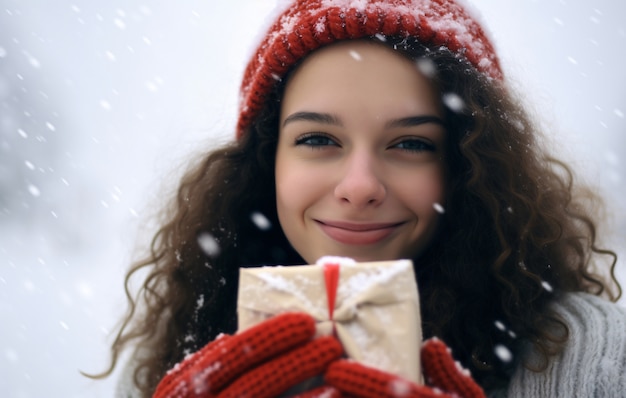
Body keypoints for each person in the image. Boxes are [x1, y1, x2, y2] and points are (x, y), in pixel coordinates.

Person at [89, 0, 626, 396]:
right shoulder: (183, 359)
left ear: (468, 166)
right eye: (318, 139)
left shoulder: (588, 356)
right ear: (265, 162)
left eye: (412, 143)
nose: (360, 185)